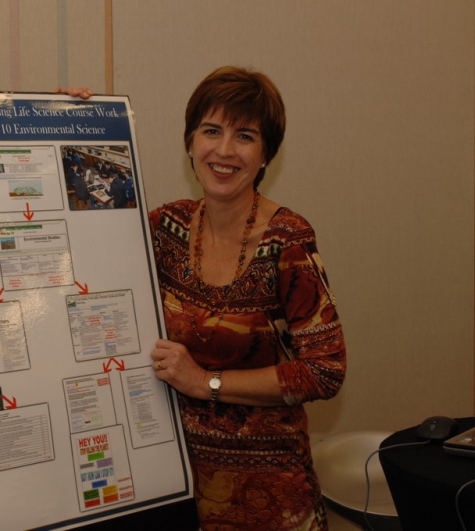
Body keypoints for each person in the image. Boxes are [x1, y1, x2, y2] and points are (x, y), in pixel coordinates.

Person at [59, 67, 346, 531]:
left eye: (245, 136)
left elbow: (325, 371)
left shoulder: (288, 240)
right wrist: (66, 124)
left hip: (268, 500)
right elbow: (75, 249)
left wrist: (204, 382)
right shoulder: (163, 228)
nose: (225, 150)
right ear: (190, 142)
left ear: (266, 154)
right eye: (211, 131)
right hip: (169, 488)